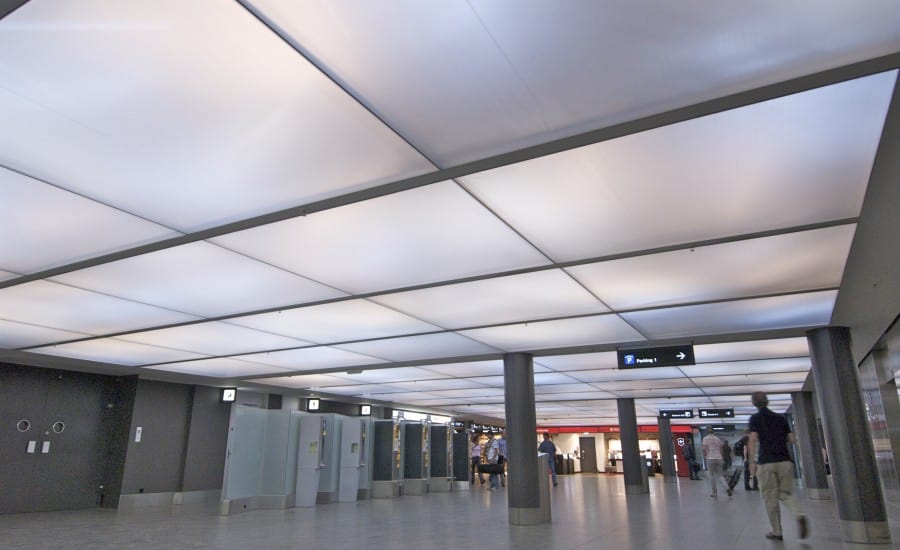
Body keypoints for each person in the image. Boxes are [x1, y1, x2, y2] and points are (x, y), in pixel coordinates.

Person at [748, 391, 809, 541]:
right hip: (785, 461)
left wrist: (751, 462)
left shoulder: (755, 418)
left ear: (754, 403)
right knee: (786, 493)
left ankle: (777, 531)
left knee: (770, 498)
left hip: (766, 462)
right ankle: (799, 514)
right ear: (767, 401)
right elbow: (791, 439)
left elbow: (753, 439)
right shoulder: (780, 418)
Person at [701, 429, 731, 497]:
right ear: (713, 432)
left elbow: (704, 449)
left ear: (707, 433)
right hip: (719, 458)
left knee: (712, 476)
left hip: (710, 458)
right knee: (720, 475)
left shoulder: (705, 438)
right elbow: (721, 449)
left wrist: (705, 455)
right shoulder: (717, 439)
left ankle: (714, 492)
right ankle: (727, 488)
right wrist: (722, 457)